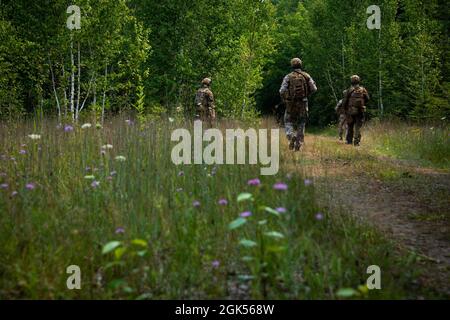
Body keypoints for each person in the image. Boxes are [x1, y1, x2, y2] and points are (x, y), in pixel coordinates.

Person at [279, 58, 317, 151]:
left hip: (291, 103)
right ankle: (298, 145)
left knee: (288, 121)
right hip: (303, 102)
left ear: (292, 66)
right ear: (301, 65)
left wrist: (286, 97)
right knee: (301, 122)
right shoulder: (306, 76)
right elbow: (314, 89)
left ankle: (291, 136)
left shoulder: (288, 77)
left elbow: (281, 90)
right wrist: (306, 94)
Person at [342, 75, 370, 146]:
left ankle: (349, 141)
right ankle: (356, 142)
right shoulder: (363, 89)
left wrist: (345, 109)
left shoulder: (349, 90)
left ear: (351, 82)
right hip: (360, 111)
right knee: (358, 126)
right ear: (359, 81)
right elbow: (367, 99)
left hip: (350, 111)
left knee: (350, 126)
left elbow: (345, 101)